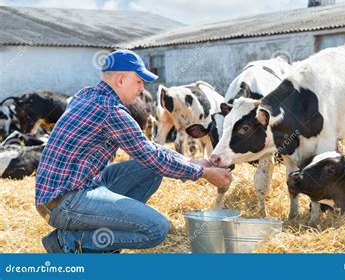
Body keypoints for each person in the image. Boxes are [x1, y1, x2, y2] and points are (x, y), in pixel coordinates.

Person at [35, 49, 232, 253]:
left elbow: (147, 150)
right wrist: (203, 173)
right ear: (120, 80)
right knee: (156, 228)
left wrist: (191, 162)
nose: (142, 89)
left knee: (151, 169)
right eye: (138, 81)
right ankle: (68, 241)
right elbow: (151, 156)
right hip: (64, 202)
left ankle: (102, 240)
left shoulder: (86, 94)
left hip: (73, 187)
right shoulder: (111, 110)